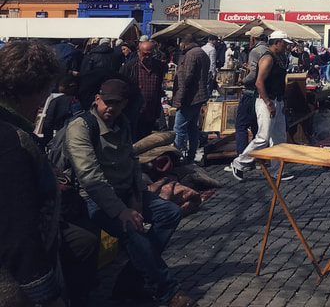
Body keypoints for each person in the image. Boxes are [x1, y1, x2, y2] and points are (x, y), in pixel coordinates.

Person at [67, 78, 193, 307]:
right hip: (93, 198)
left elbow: (132, 161)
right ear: (97, 99)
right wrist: (120, 211)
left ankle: (129, 280)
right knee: (133, 230)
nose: (111, 108)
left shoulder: (122, 122)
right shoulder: (82, 126)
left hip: (125, 192)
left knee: (170, 212)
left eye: (117, 103)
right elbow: (90, 177)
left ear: (125, 103)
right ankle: (169, 291)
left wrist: (136, 196)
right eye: (107, 102)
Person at [0, 41, 98, 307]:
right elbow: (18, 228)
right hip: (13, 287)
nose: (46, 99)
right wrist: (46, 293)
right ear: (33, 88)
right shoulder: (12, 141)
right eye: (46, 89)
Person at [230, 32, 294, 182]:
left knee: (279, 138)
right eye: (284, 43)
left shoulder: (279, 58)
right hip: (267, 101)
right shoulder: (267, 58)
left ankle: (276, 170)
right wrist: (268, 103)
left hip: (277, 100)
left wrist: (282, 101)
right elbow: (259, 82)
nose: (286, 46)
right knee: (263, 137)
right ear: (276, 42)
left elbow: (280, 81)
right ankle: (239, 162)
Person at [171, 37, 211, 164]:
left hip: (190, 98)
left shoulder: (191, 54)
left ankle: (178, 156)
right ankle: (191, 155)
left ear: (184, 44)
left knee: (179, 128)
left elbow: (185, 78)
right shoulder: (202, 53)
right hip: (198, 96)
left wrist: (179, 99)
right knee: (192, 128)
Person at [233, 27, 269, 159]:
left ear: (253, 38)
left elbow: (253, 73)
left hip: (251, 92)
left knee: (241, 125)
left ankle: (241, 157)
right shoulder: (268, 49)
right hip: (262, 92)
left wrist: (243, 80)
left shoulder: (255, 51)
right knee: (256, 127)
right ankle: (257, 157)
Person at [121, 39, 167, 141]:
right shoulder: (130, 67)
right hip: (134, 111)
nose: (147, 57)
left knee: (147, 140)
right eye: (144, 54)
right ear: (138, 52)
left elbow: (158, 88)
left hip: (151, 110)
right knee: (134, 140)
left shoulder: (158, 67)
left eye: (150, 55)